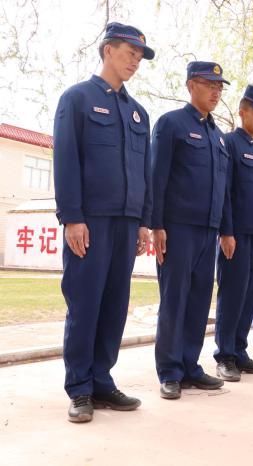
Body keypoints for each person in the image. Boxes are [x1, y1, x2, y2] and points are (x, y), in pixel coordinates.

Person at [53, 22, 155, 423]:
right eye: (130, 53)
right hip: (90, 222)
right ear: (108, 50)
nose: (135, 62)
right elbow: (66, 160)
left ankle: (102, 381)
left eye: (140, 57)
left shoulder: (138, 113)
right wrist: (72, 218)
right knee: (85, 303)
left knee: (114, 305)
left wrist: (144, 222)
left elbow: (144, 172)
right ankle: (79, 388)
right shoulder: (77, 99)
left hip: (127, 224)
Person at [150, 62, 235, 400]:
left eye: (219, 87)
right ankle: (170, 372)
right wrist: (156, 224)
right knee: (175, 300)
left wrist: (226, 229)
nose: (216, 92)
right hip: (177, 229)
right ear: (190, 86)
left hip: (208, 231)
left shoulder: (217, 136)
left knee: (199, 301)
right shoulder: (171, 124)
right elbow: (157, 177)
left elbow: (224, 189)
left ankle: (190, 366)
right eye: (209, 85)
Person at [214, 85, 253, 381]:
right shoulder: (229, 143)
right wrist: (226, 231)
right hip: (235, 236)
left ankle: (239, 351)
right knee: (232, 297)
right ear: (242, 112)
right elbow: (224, 192)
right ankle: (224, 355)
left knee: (250, 297)